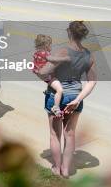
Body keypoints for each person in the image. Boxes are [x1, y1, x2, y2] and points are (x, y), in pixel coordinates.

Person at [38, 21, 97, 178]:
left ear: (69, 32)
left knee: (54, 134)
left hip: (57, 96)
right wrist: (78, 99)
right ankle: (66, 169)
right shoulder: (89, 55)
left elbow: (44, 72)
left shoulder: (63, 51)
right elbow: (92, 81)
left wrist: (39, 67)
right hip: (75, 96)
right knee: (70, 134)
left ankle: (57, 169)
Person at [32, 34, 70, 117]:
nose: (51, 46)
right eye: (50, 44)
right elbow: (52, 59)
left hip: (41, 74)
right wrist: (64, 59)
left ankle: (49, 91)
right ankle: (56, 107)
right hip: (46, 75)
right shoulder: (44, 53)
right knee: (59, 90)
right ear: (46, 45)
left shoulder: (37, 53)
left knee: (54, 76)